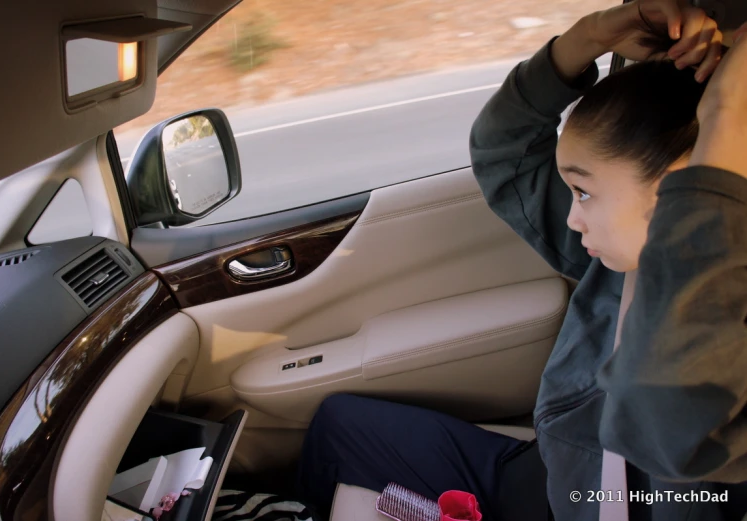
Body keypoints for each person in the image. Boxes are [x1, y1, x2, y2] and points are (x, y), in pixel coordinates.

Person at [296, 1, 747, 520]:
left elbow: (669, 430)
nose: (575, 222)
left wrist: (725, 126)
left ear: (679, 190)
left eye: (583, 193)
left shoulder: (722, 318)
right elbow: (504, 151)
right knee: (339, 424)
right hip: (553, 475)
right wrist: (590, 37)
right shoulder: (615, 268)